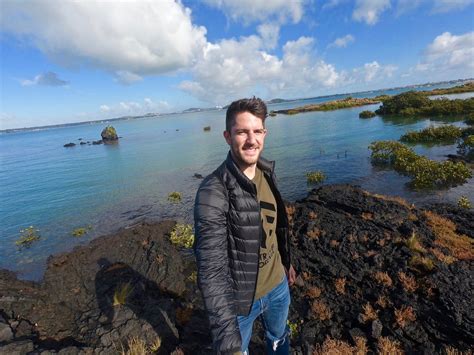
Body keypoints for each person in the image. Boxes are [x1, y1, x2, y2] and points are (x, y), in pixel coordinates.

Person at [194, 97, 296, 354]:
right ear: (228, 136)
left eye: (257, 131)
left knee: (279, 337)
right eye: (242, 132)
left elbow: (275, 226)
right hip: (240, 304)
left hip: (278, 286)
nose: (251, 140)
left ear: (265, 133)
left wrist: (287, 262)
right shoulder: (213, 192)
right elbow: (212, 272)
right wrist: (228, 344)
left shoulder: (266, 171)